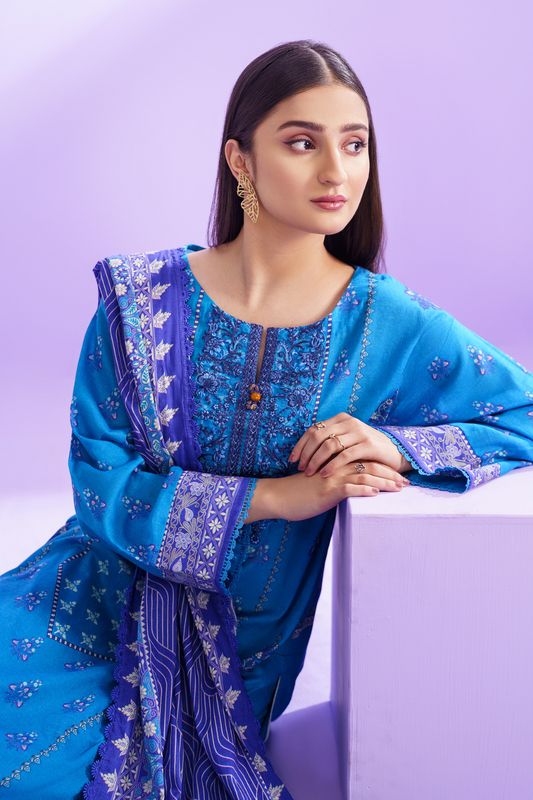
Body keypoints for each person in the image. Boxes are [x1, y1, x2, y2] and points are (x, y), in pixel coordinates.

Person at [1, 39, 532, 799]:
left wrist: (395, 443)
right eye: (301, 142)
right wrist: (277, 498)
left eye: (354, 145)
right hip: (83, 598)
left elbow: (525, 408)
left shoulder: (387, 323)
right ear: (239, 159)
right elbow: (99, 478)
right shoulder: (137, 300)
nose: (335, 171)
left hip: (229, 655)